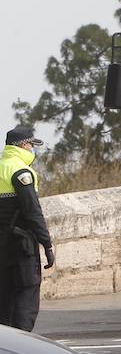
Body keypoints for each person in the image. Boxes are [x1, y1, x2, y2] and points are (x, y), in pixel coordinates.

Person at [0, 127, 55, 332]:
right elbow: (32, 212)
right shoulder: (21, 172)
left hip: (2, 247)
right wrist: (47, 244)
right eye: (32, 145)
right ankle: (22, 344)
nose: (33, 150)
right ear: (24, 145)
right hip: (22, 247)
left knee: (4, 298)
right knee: (26, 294)